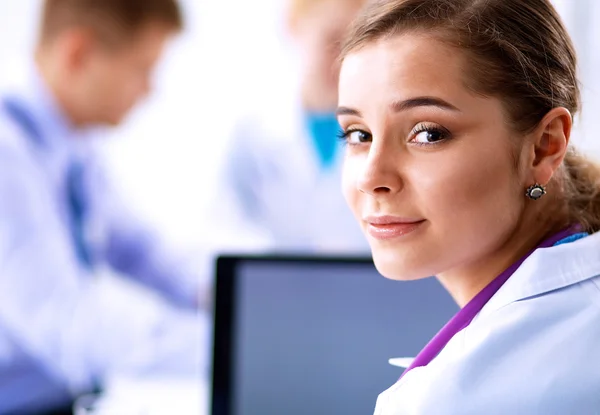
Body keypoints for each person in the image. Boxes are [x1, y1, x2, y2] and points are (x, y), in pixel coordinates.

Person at [336, 0, 600, 413]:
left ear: (544, 146)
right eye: (358, 134)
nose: (371, 178)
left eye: (428, 134)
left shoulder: (463, 398)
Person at [0, 0, 207, 413]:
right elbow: (63, 313)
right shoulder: (7, 153)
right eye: (142, 69)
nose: (150, 90)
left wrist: (230, 294)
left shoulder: (70, 148)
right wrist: (226, 345)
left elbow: (139, 250)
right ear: (78, 53)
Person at [212, 0, 369, 255]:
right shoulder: (253, 136)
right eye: (334, 40)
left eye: (360, 44)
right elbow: (225, 230)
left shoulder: (383, 130)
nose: (344, 60)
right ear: (293, 27)